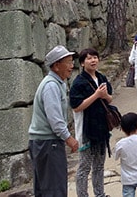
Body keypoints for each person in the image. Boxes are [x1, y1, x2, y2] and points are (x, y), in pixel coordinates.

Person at [28, 45, 80, 197]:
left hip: (43, 143)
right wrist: (69, 139)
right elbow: (55, 120)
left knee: (45, 189)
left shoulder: (55, 83)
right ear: (56, 66)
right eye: (68, 62)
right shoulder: (51, 86)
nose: (72, 66)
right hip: (48, 144)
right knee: (54, 190)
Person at [69, 48, 114, 197]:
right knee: (84, 166)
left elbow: (110, 98)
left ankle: (100, 194)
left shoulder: (101, 78)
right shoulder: (79, 82)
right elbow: (76, 107)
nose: (93, 60)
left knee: (99, 165)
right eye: (89, 58)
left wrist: (105, 95)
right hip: (87, 130)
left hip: (101, 128)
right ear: (82, 63)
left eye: (95, 57)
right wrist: (96, 95)